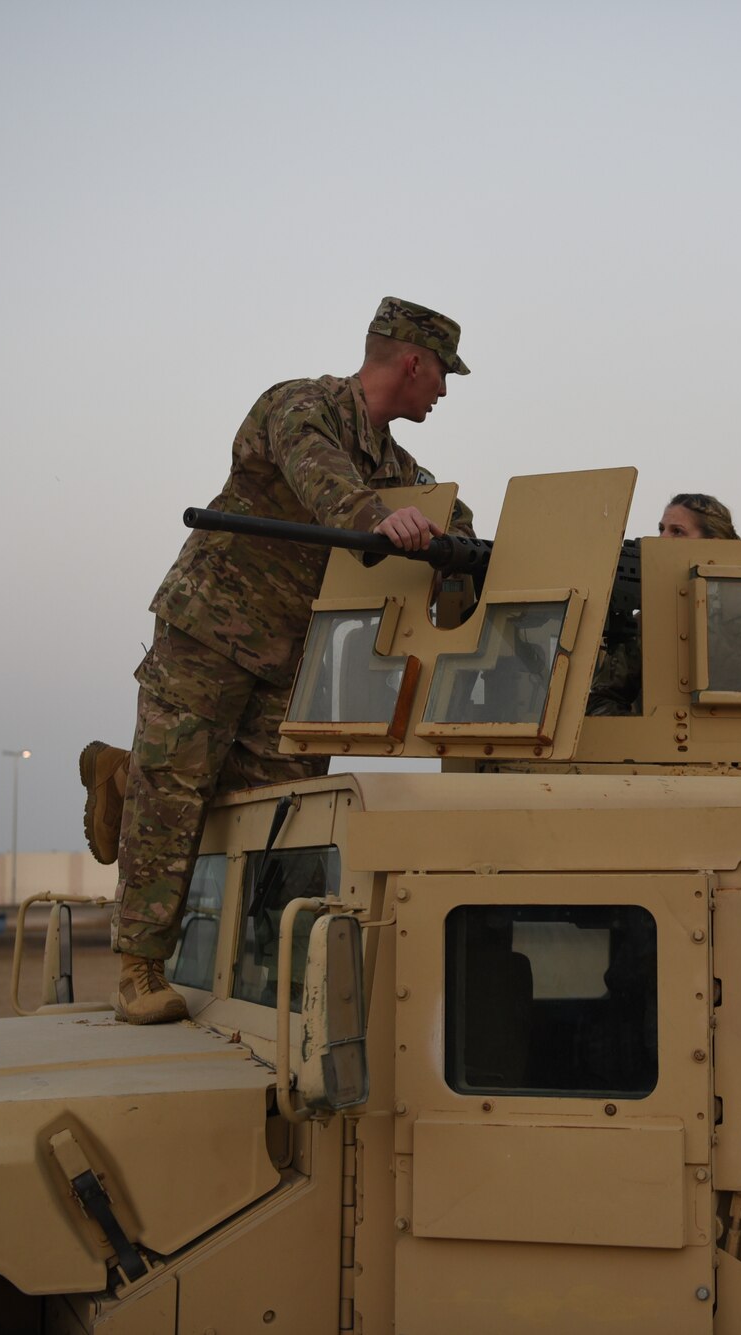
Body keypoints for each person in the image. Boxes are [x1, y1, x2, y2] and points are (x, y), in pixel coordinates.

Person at [82, 297, 474, 1024]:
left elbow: (445, 512)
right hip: (211, 625)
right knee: (177, 789)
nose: (444, 392)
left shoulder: (391, 460)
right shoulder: (300, 406)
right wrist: (376, 520)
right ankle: (138, 964)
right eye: (443, 374)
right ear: (412, 362)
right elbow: (320, 477)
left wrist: (472, 553)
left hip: (293, 653)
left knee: (274, 806)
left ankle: (269, 963)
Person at [587, 493, 739, 716]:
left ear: (712, 545)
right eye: (662, 529)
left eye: (677, 531)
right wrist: (639, 743)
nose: (663, 539)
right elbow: (604, 698)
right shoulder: (649, 620)